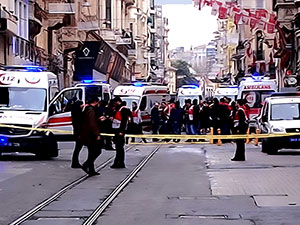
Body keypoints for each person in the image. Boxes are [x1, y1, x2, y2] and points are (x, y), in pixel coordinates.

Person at [79, 96, 102, 176]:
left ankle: (91, 170)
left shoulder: (86, 109)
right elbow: (92, 123)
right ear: (95, 102)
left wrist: (98, 119)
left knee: (91, 151)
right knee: (97, 151)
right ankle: (87, 164)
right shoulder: (91, 111)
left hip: (87, 134)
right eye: (98, 103)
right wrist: (97, 134)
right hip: (91, 135)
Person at [111, 98, 130, 168]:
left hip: (119, 130)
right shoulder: (118, 109)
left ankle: (119, 162)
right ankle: (118, 162)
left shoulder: (123, 109)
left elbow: (124, 121)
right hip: (117, 129)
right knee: (118, 147)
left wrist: (122, 131)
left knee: (119, 147)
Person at [70, 99, 85, 168]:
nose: (83, 106)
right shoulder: (78, 113)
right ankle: (75, 162)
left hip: (77, 131)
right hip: (78, 132)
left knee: (78, 147)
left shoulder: (75, 112)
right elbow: (79, 123)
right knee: (78, 147)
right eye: (82, 104)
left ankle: (75, 162)